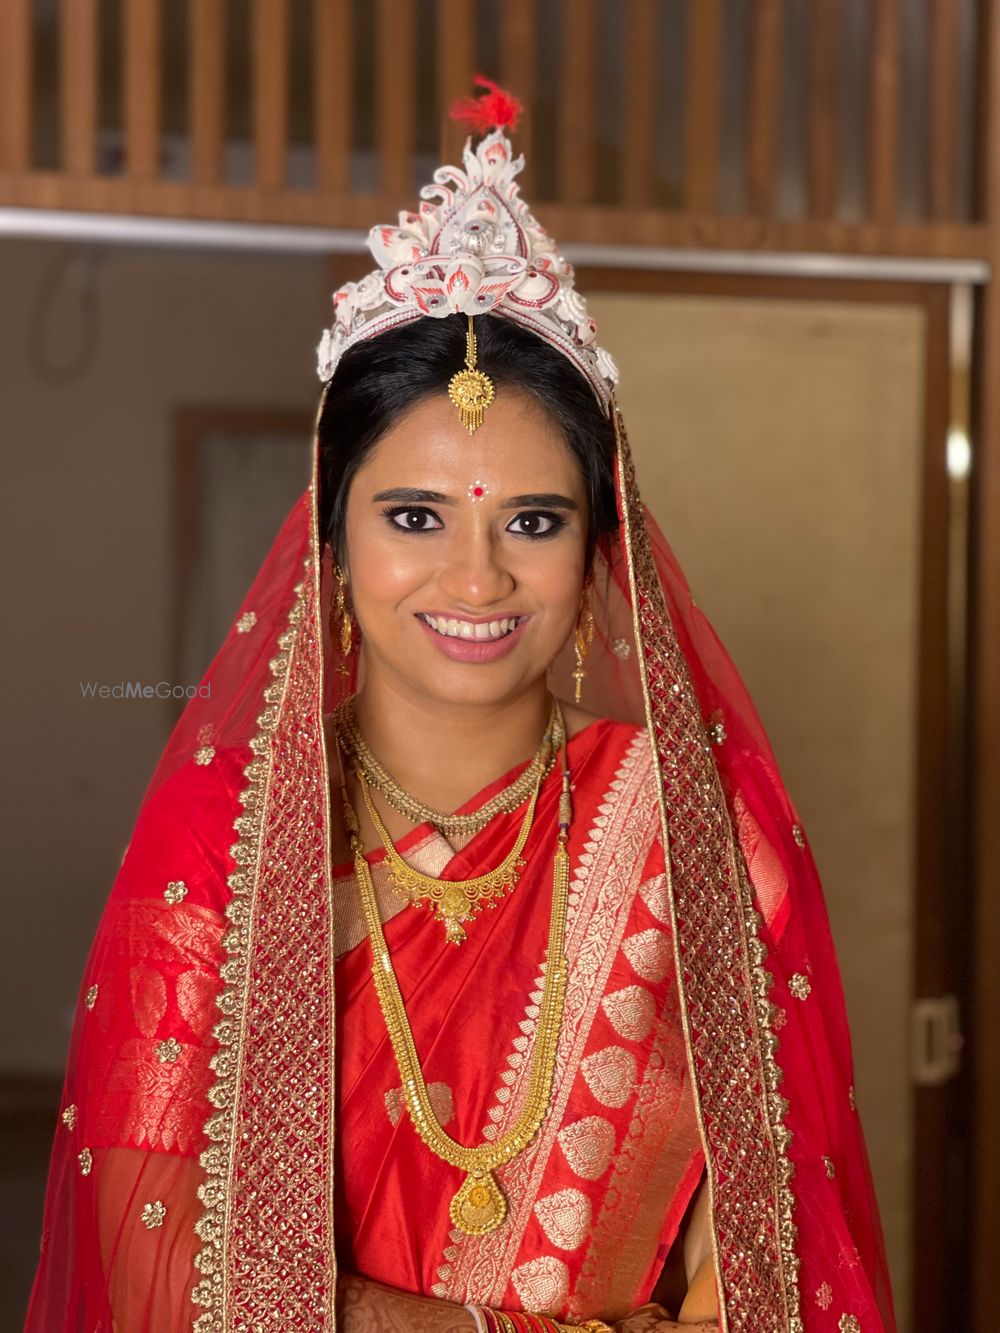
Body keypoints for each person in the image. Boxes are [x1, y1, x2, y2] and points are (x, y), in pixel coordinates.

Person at [24, 82, 896, 1333]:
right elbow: (168, 1269)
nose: (476, 578)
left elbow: (769, 1246)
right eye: (415, 517)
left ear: (600, 551)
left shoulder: (684, 829)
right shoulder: (227, 838)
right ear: (331, 544)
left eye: (531, 522)